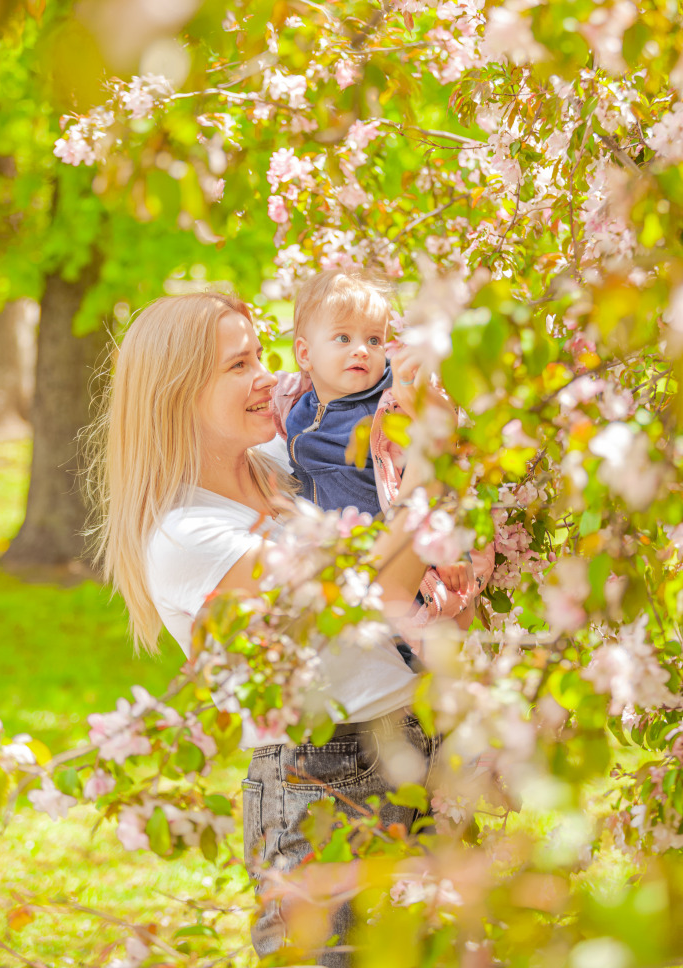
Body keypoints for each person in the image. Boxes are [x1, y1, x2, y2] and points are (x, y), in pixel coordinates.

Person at [88, 291, 457, 968]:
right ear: (177, 394)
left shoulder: (289, 472)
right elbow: (379, 589)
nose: (266, 374)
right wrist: (435, 461)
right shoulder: (187, 534)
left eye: (260, 354)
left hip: (411, 742)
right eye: (238, 365)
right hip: (321, 778)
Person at [271, 269, 493, 641]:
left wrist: (450, 545)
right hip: (347, 568)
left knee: (414, 652)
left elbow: (441, 472)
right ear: (305, 354)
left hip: (404, 566)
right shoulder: (295, 405)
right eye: (343, 338)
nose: (362, 349)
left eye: (374, 340)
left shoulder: (391, 410)